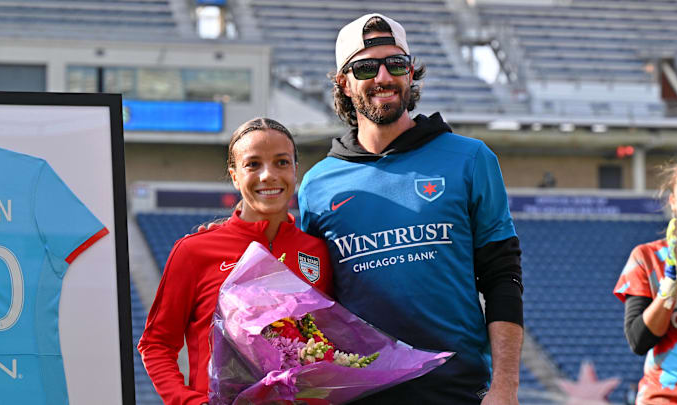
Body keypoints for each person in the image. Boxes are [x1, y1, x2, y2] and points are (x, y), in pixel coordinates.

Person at [297, 13, 524, 405]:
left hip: (456, 392)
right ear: (344, 83)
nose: (383, 77)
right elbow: (309, 295)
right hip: (358, 395)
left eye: (395, 64)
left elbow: (503, 277)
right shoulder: (316, 185)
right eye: (366, 67)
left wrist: (505, 386)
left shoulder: (470, 159)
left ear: (411, 72)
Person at [138, 117, 334, 405]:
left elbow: (330, 338)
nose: (268, 175)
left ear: (295, 169)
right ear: (234, 175)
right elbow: (156, 345)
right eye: (253, 164)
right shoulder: (194, 251)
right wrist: (189, 402)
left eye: (281, 162)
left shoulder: (317, 251)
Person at [613, 157, 677, 404]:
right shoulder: (647, 257)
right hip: (665, 396)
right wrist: (672, 286)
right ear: (673, 201)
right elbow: (638, 340)